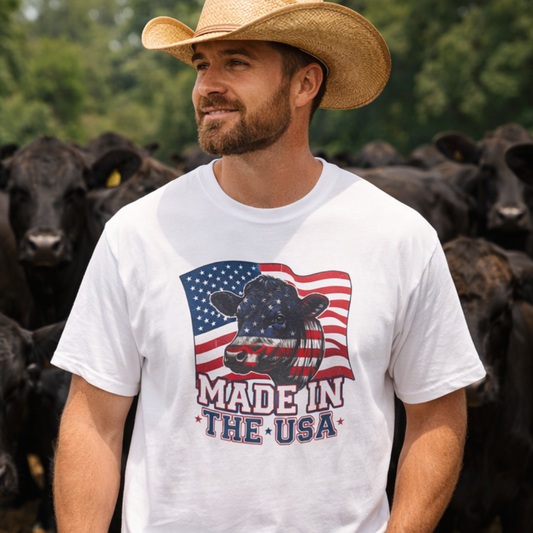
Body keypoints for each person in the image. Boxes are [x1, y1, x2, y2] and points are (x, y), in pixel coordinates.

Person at [52, 1, 486, 532]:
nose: (208, 84)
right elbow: (93, 420)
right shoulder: (138, 234)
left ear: (304, 85)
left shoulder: (397, 237)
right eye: (200, 65)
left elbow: (437, 412)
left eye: (236, 63)